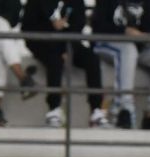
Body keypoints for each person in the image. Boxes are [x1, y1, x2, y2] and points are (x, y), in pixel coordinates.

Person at [92, 0, 150, 130]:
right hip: (106, 43)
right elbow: (97, 27)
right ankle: (124, 110)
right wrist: (124, 31)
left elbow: (149, 25)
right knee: (128, 49)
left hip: (137, 46)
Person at [22, 0, 109, 128]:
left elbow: (79, 26)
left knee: (92, 59)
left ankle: (96, 111)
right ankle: (54, 110)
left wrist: (67, 46)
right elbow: (28, 27)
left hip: (69, 43)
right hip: (43, 43)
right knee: (55, 59)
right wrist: (52, 26)